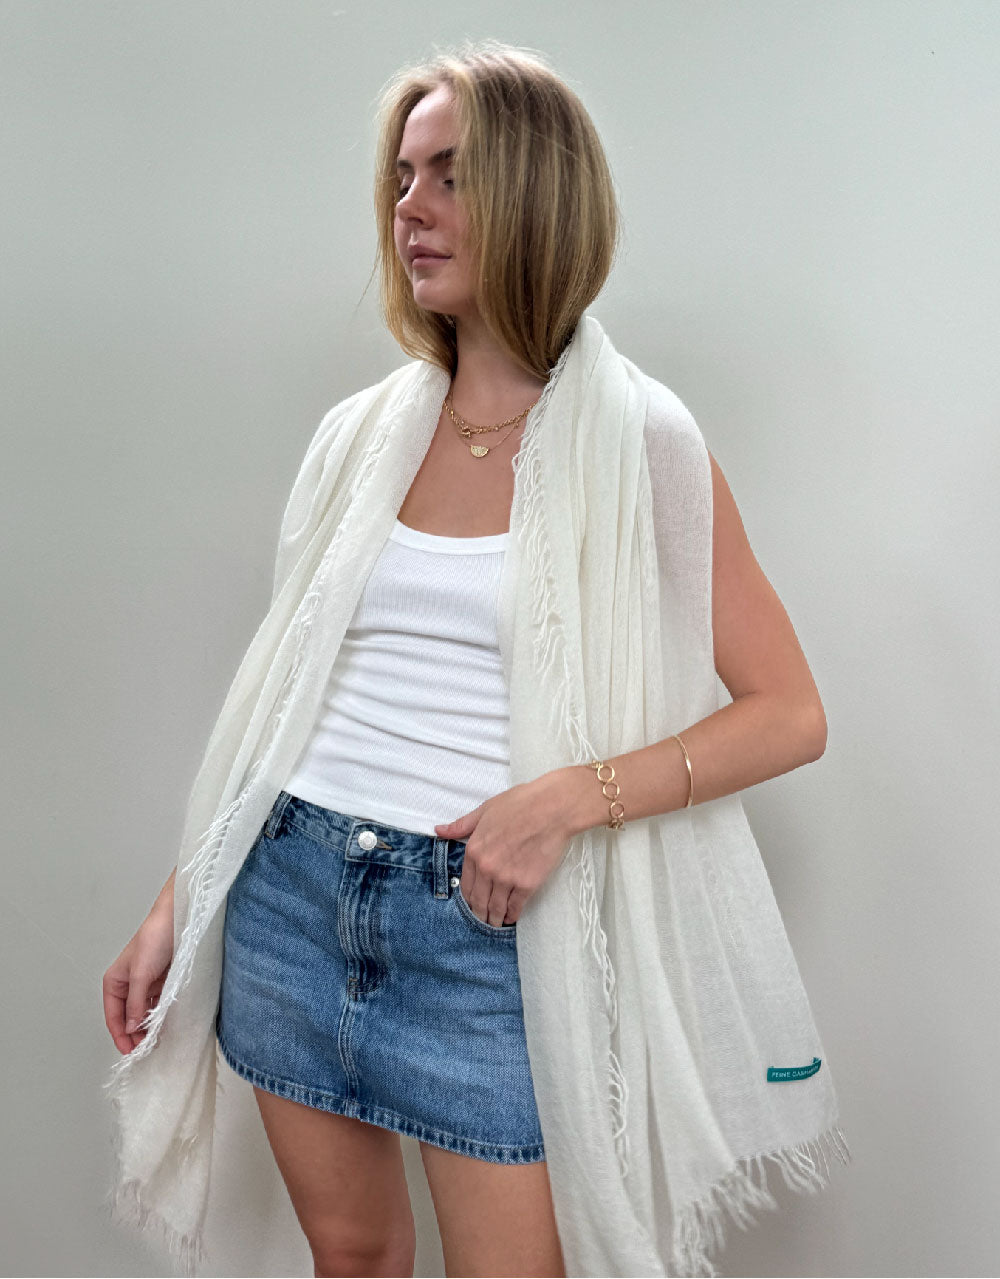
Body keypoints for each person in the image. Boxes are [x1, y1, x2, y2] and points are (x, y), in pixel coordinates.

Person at [103, 40, 845, 1279]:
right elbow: (287, 702)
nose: (411, 207)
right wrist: (179, 900)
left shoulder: (641, 443)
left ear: (536, 193)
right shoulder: (359, 436)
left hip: (484, 933)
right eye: (402, 178)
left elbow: (789, 712)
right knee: (351, 1256)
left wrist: (566, 800)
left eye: (450, 174)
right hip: (289, 894)